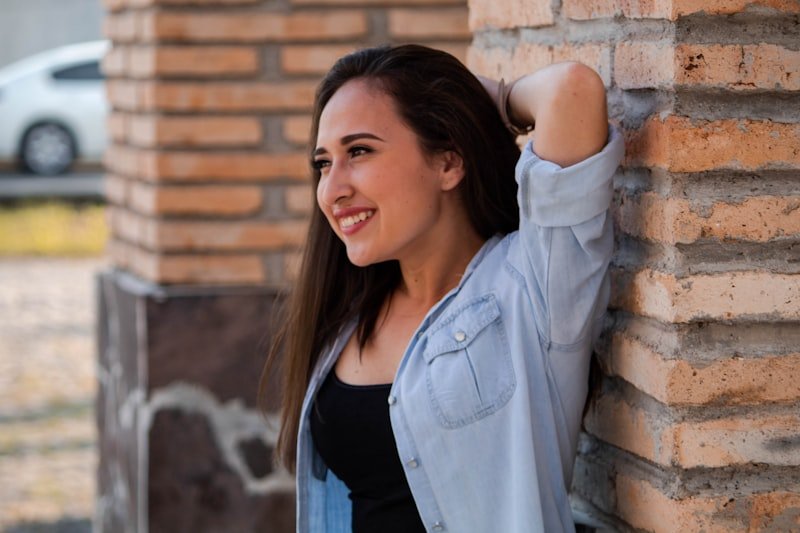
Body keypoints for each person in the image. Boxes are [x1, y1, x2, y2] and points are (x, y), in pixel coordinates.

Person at [261, 44, 624, 533]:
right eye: (324, 163)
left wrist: (480, 98)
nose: (332, 189)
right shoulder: (352, 308)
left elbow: (571, 91)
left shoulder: (529, 289)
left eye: (360, 151)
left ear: (449, 163)